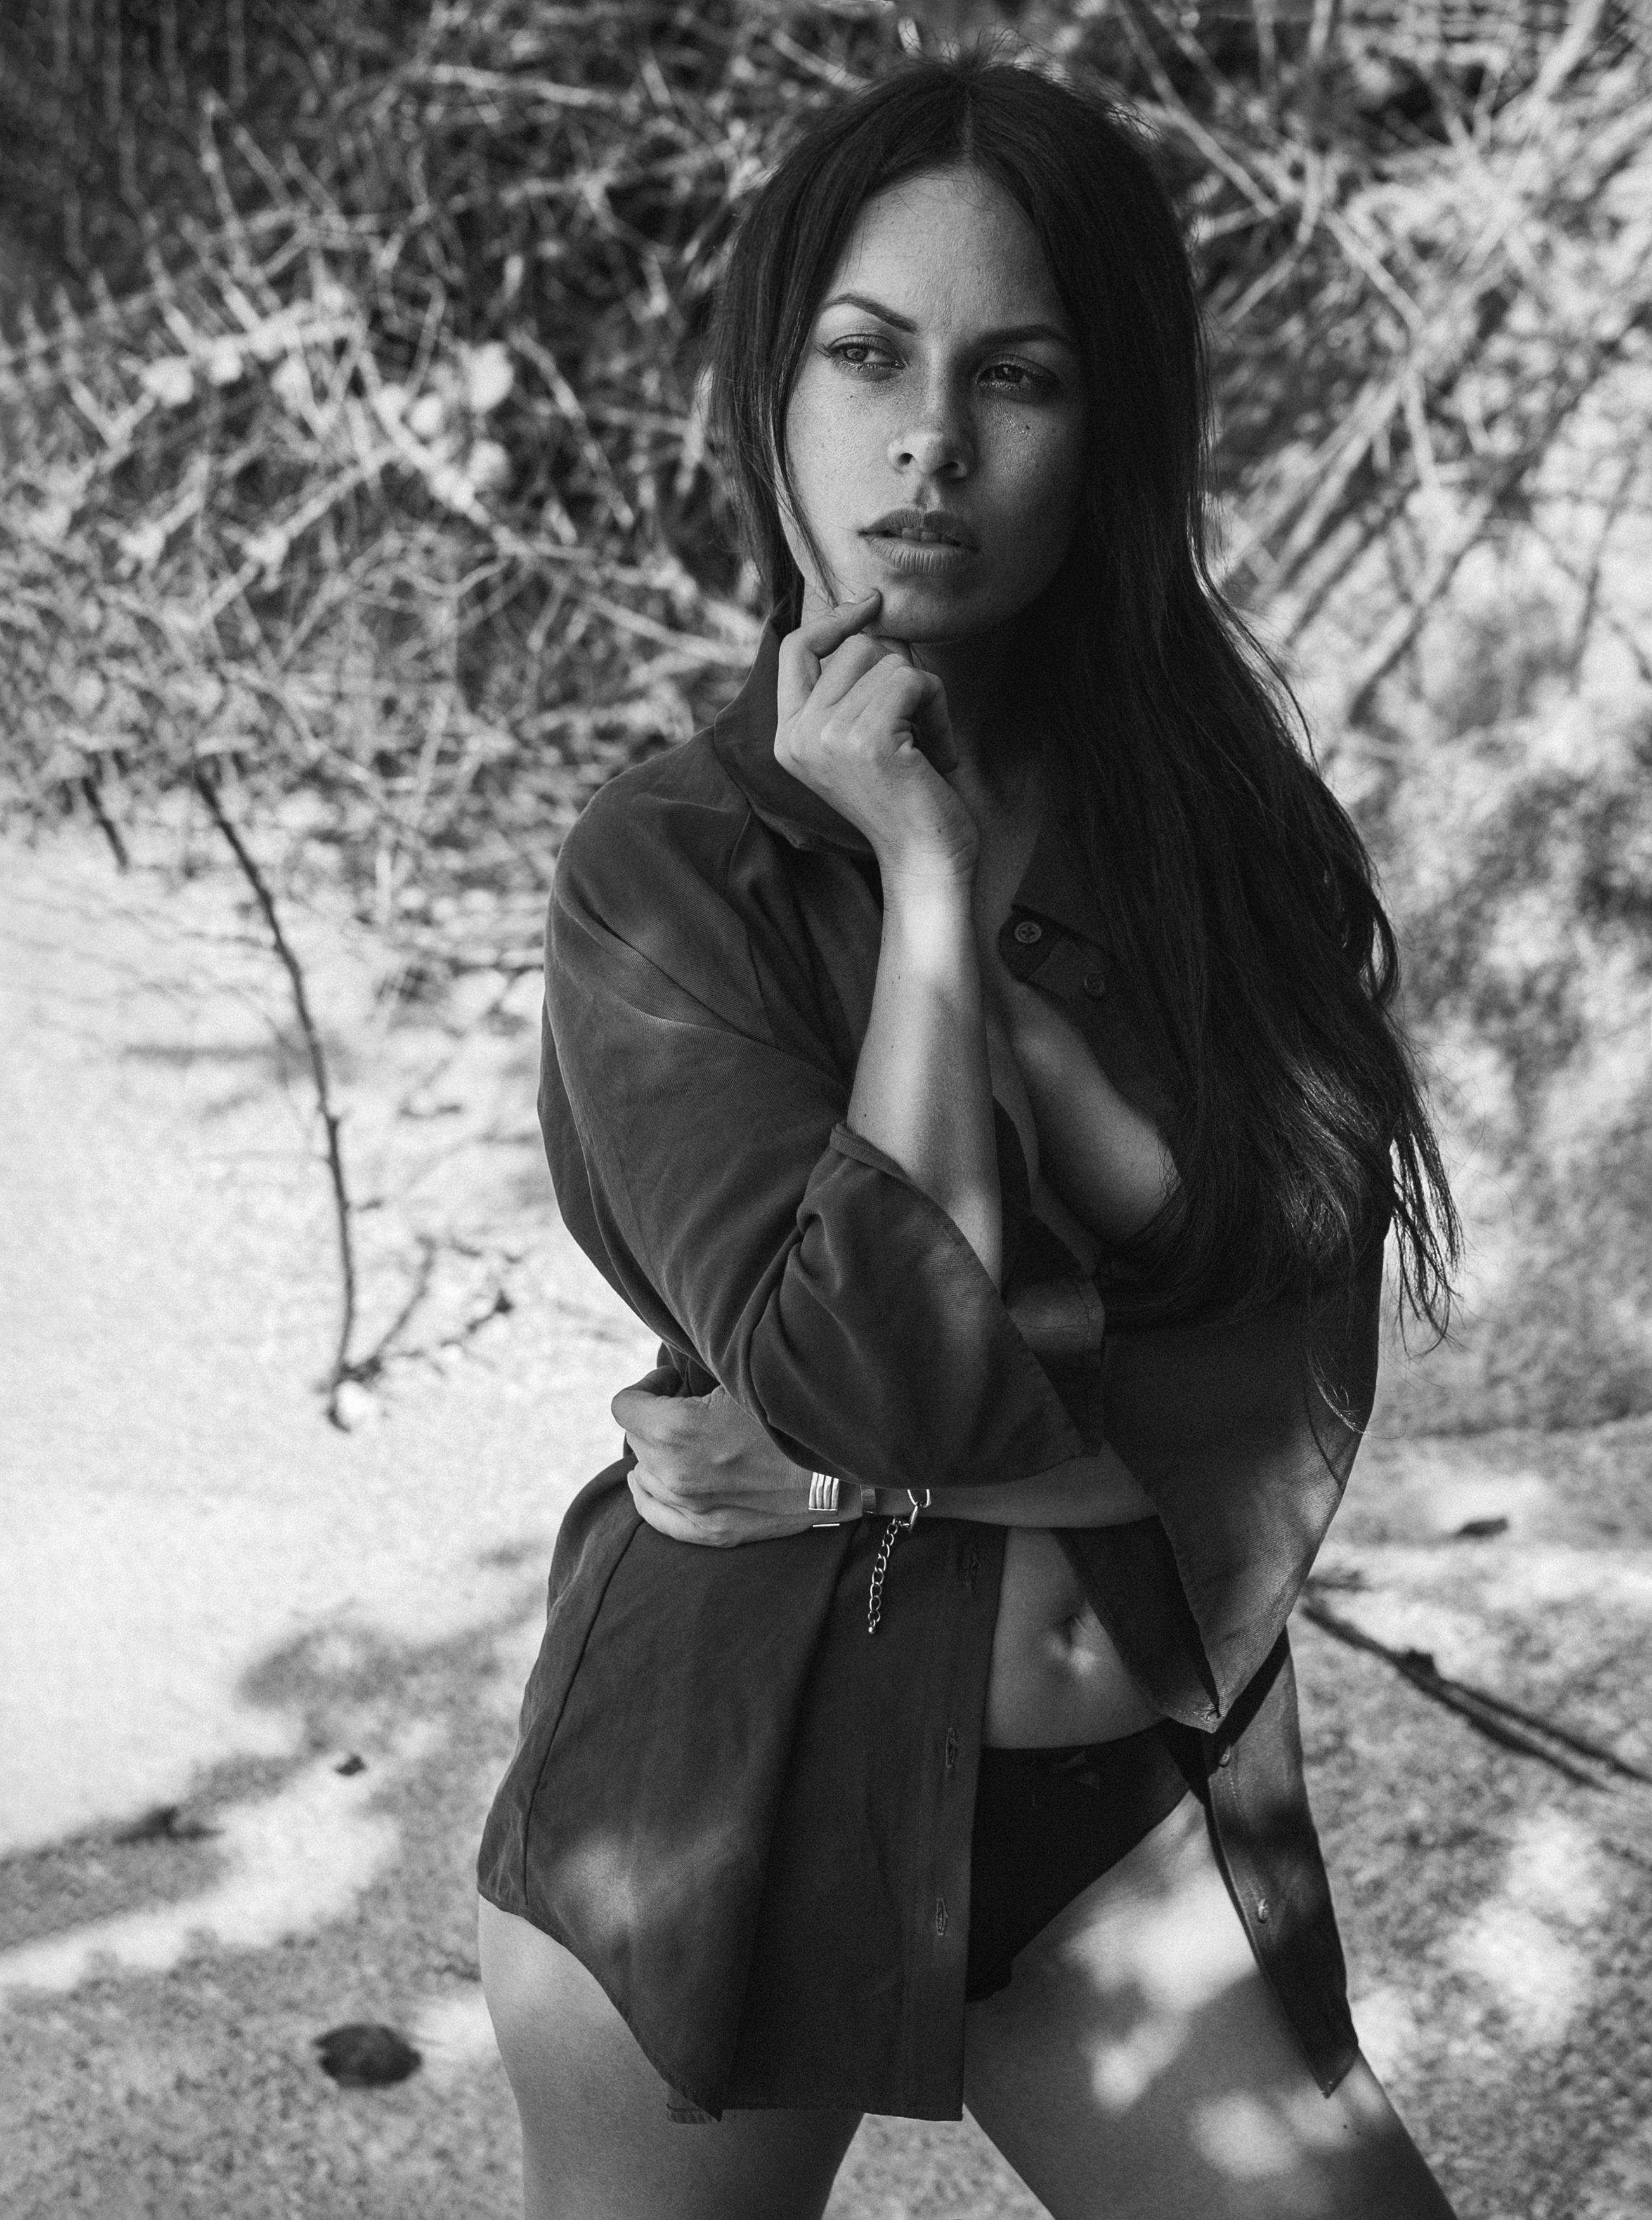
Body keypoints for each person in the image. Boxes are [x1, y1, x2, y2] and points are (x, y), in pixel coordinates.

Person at [476, 52, 1462, 2220]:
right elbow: (880, 1364)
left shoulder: (1215, 832)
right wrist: (917, 880)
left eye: (1016, 372)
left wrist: (859, 1465)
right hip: (723, 1785)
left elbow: (1294, 1330)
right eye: (866, 355)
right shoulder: (670, 867)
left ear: (1108, 430)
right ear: (775, 394)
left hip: (1119, 1809)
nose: (932, 437)